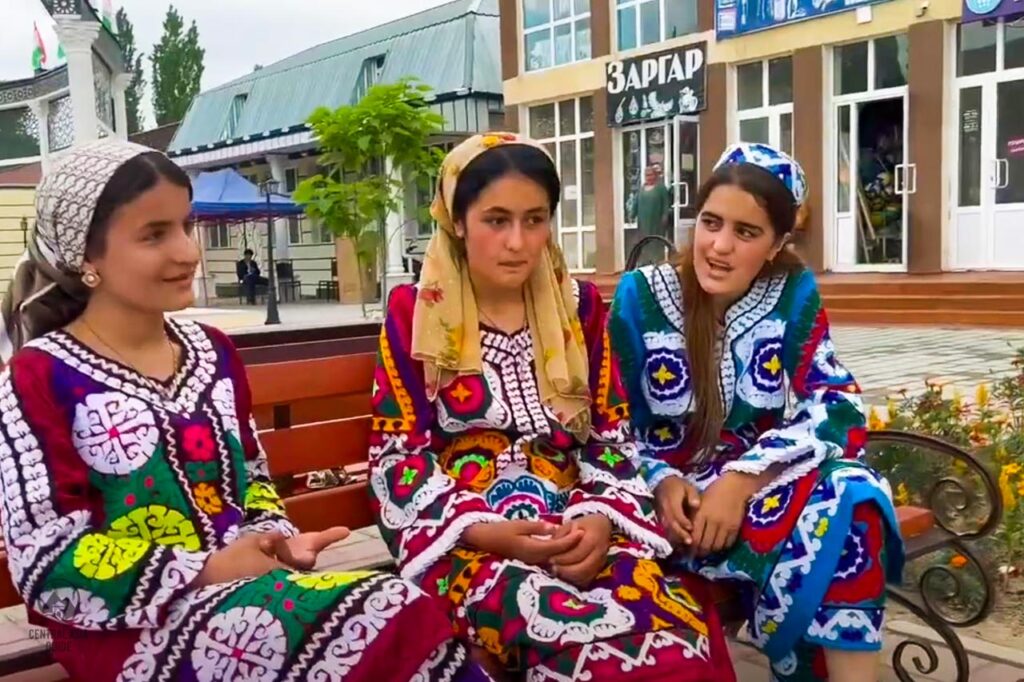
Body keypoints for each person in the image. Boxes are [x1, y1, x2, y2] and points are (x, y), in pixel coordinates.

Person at [0, 140, 492, 682]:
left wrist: (273, 538)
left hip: (252, 597)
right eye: (154, 235)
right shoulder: (39, 376)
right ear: (84, 256)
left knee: (402, 627)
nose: (187, 252)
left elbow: (251, 476)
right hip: (126, 635)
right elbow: (43, 557)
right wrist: (205, 569)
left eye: (186, 226)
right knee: (388, 607)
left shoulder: (211, 351)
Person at [369, 133, 736, 681]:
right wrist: (482, 529)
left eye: (535, 219)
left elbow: (610, 436)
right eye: (496, 220)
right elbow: (396, 457)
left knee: (674, 633)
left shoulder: (578, 308)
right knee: (574, 645)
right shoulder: (416, 313)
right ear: (457, 221)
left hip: (576, 527)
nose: (518, 242)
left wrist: (597, 518)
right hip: (469, 544)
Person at [608, 143, 905, 682]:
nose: (719, 246)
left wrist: (744, 478)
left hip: (754, 495)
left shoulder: (791, 292)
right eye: (710, 222)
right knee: (839, 519)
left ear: (775, 246)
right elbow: (608, 424)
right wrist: (661, 480)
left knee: (853, 497)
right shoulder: (638, 297)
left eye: (745, 233)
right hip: (668, 509)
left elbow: (837, 403)